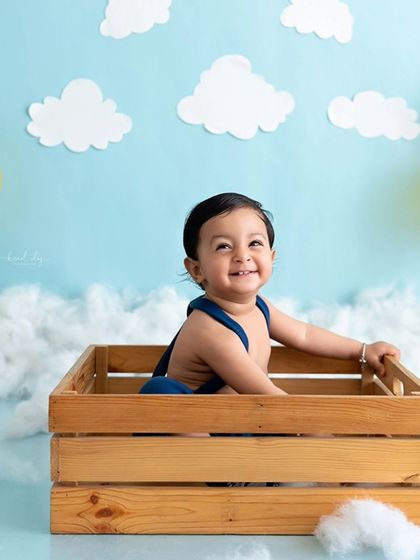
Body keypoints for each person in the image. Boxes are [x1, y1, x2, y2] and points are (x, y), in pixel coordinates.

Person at [138, 193, 400, 484]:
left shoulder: (259, 307)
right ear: (197, 269)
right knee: (162, 391)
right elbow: (262, 391)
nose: (242, 255)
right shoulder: (210, 330)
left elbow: (303, 333)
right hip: (197, 430)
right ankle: (216, 470)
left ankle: (251, 462)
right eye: (224, 246)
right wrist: (317, 429)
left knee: (269, 421)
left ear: (272, 257)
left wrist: (362, 350)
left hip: (240, 423)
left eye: (255, 243)